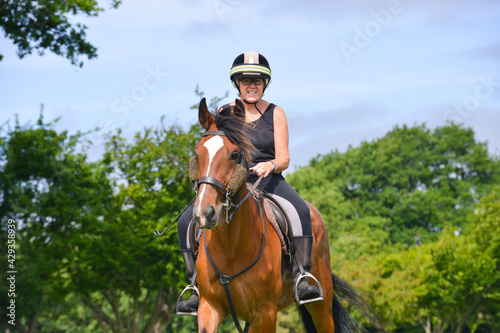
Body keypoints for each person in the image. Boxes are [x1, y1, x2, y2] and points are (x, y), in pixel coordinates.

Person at [176, 51, 322, 315]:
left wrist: (271, 165)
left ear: (265, 83)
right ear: (237, 84)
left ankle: (302, 277)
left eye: (257, 80)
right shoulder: (224, 112)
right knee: (186, 220)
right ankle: (194, 286)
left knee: (300, 211)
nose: (251, 85)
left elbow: (285, 157)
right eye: (245, 80)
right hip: (231, 182)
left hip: (268, 179)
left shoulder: (276, 113)